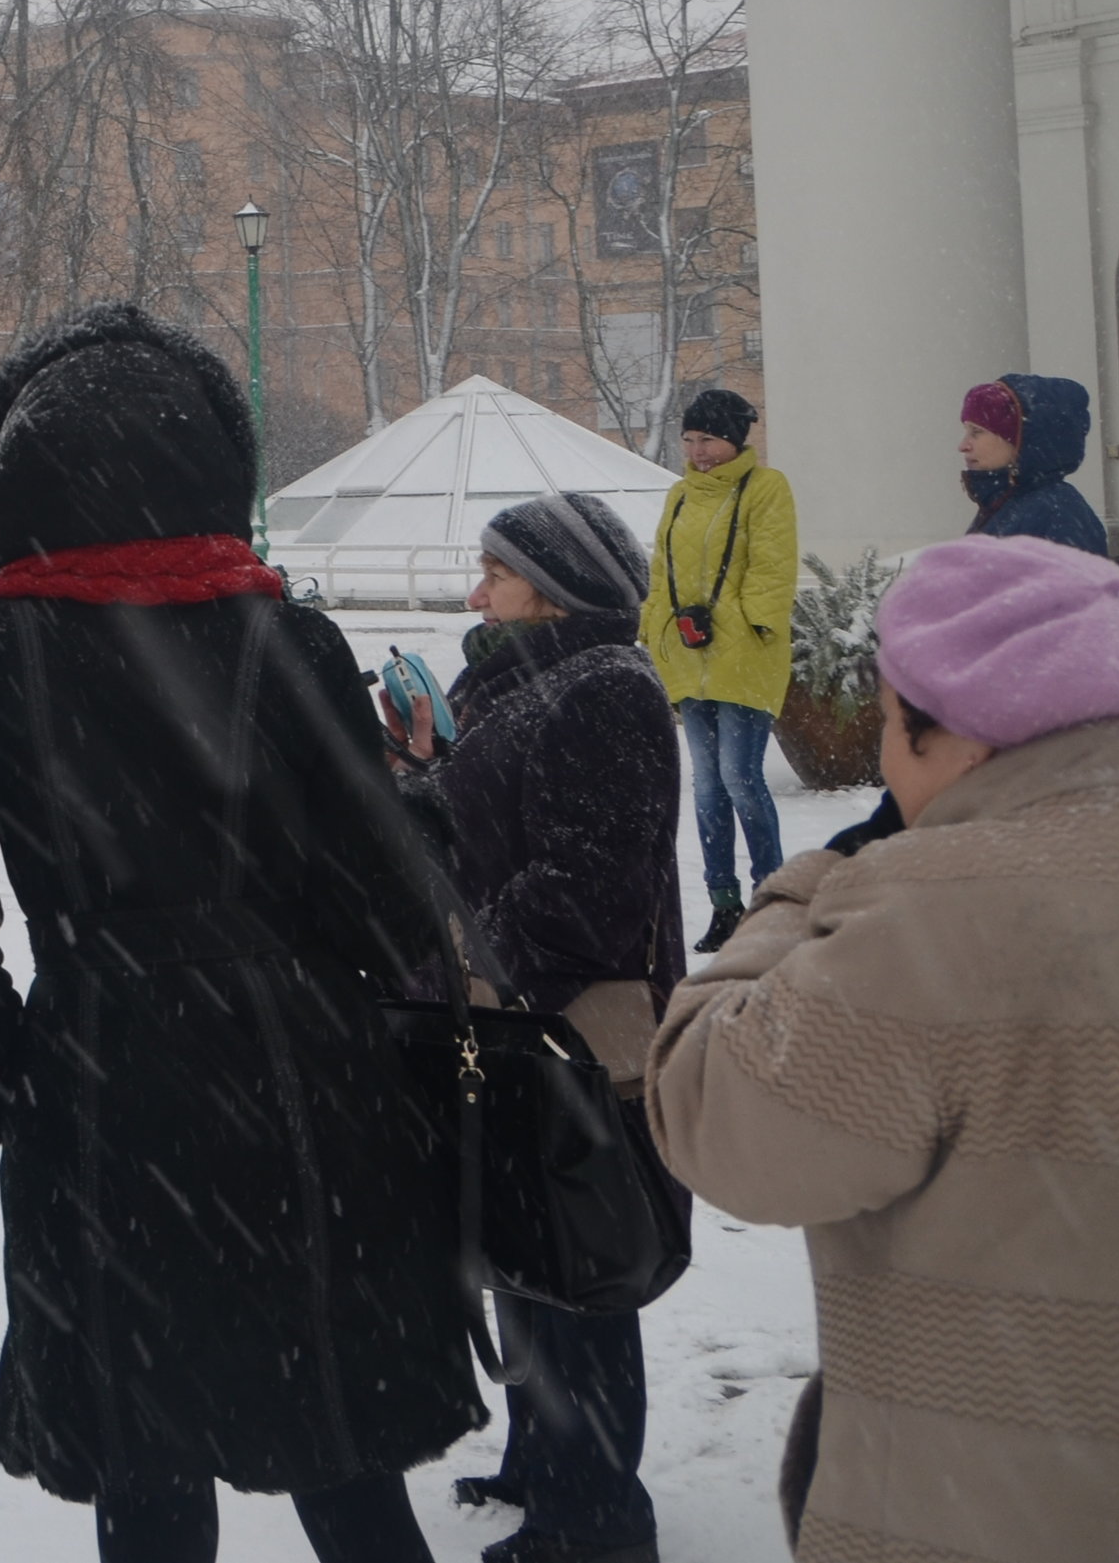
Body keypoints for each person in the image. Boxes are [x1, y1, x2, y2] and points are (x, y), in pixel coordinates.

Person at [0, 301, 476, 1563]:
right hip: (305, 1072)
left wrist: (4, 1074)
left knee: (142, 1455)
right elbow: (386, 884)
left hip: (104, 1082)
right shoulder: (293, 638)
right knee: (340, 1443)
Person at [648, 534, 1119, 1563]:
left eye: (893, 728)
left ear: (967, 739)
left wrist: (808, 891)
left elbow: (713, 1117)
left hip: (982, 1513)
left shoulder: (929, 919)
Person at [384, 494, 684, 1563]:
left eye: (496, 574)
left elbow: (589, 894)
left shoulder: (603, 692)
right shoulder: (518, 678)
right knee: (523, 1254)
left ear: (556, 590)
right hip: (510, 1026)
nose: (477, 592)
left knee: (582, 1273)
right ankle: (540, 1462)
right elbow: (489, 829)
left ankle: (596, 1519)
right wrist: (422, 768)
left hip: (570, 1037)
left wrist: (454, 947)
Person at [639, 387, 797, 952]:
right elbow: (660, 570)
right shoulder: (680, 495)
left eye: (708, 439)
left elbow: (773, 568)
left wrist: (750, 626)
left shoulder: (766, 488)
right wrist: (655, 629)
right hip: (687, 654)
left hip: (743, 657)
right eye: (689, 439)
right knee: (706, 787)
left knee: (740, 779)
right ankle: (724, 904)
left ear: (735, 439)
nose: (698, 451)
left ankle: (772, 900)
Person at [958, 373, 1106, 553]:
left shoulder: (1056, 513)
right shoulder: (1004, 502)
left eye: (976, 432)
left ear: (1018, 440)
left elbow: (1075, 580)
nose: (963, 446)